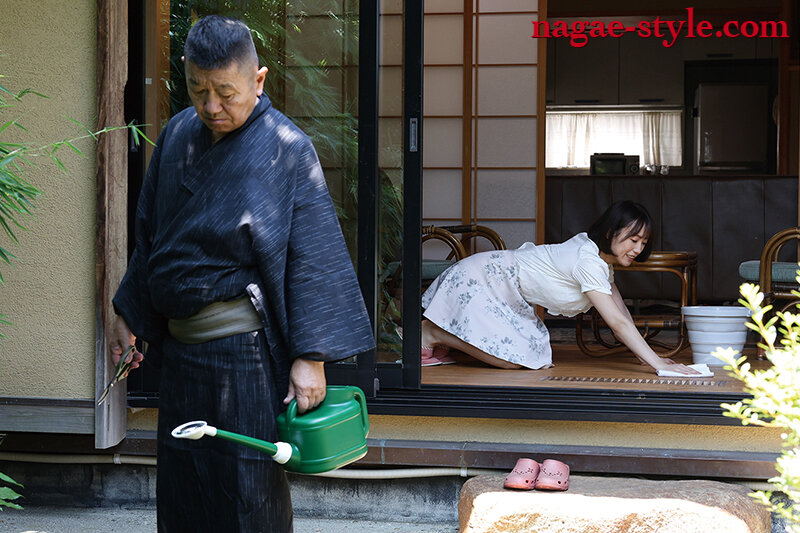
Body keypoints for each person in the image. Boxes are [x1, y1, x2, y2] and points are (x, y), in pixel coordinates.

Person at [108, 15, 374, 533]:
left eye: (225, 93)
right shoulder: (179, 134)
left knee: (248, 495)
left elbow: (313, 257)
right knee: (183, 491)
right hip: (182, 354)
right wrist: (129, 313)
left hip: (244, 356)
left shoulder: (285, 147)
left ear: (258, 79)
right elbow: (150, 237)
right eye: (197, 90)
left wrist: (311, 357)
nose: (211, 106)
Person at [420, 201, 698, 376]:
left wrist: (648, 358)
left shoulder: (600, 261)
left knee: (531, 352)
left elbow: (621, 313)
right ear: (611, 233)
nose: (638, 249)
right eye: (633, 240)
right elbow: (616, 323)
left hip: (504, 289)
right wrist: (657, 364)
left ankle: (439, 340)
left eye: (643, 243)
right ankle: (432, 333)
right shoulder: (588, 261)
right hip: (485, 277)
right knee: (514, 360)